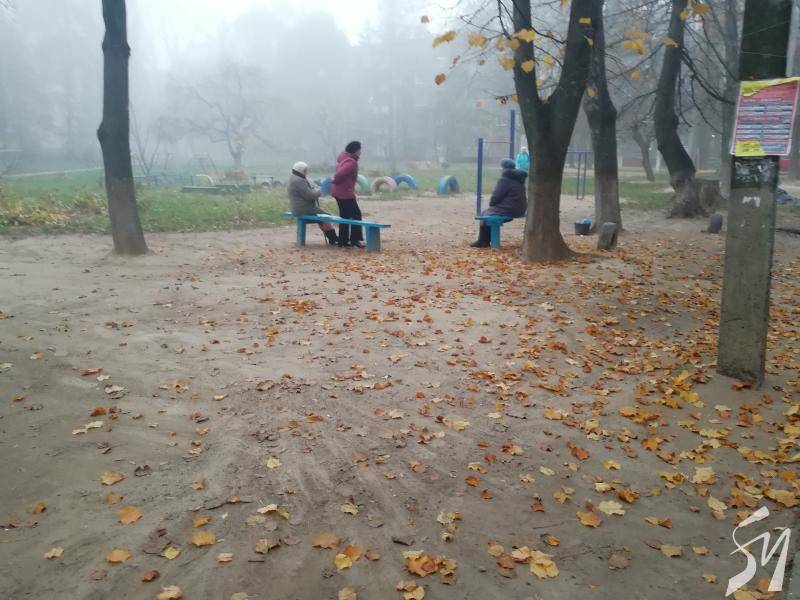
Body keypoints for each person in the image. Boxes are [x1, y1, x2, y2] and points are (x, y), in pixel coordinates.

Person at [470, 158, 527, 248]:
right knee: (489, 213)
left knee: (485, 215)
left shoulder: (505, 179)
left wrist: (492, 203)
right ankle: (484, 240)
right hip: (520, 208)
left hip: (509, 208)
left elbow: (495, 197)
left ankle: (483, 241)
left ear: (503, 168)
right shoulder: (519, 178)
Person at [288, 161, 338, 246]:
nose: (307, 172)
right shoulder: (299, 180)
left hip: (297, 207)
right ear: (301, 170)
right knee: (326, 216)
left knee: (321, 218)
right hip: (304, 209)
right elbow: (310, 196)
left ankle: (332, 238)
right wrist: (322, 190)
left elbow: (305, 192)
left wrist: (315, 190)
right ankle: (333, 238)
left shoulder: (293, 178)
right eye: (306, 170)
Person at [330, 141, 366, 248]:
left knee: (345, 216)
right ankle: (355, 239)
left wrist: (335, 182)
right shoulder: (351, 162)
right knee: (356, 214)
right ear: (356, 150)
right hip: (345, 193)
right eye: (360, 149)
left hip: (338, 192)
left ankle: (343, 241)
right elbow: (339, 174)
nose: (361, 152)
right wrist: (335, 180)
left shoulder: (344, 159)